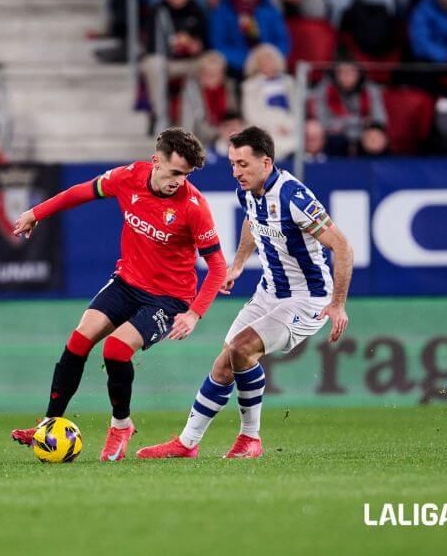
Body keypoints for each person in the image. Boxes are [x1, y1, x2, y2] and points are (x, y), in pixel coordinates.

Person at [9, 128, 228, 462]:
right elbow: (80, 193)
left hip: (168, 299)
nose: (178, 182)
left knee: (115, 350)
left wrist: (194, 313)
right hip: (127, 282)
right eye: (173, 173)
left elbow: (217, 267)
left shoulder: (195, 207)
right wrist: (36, 213)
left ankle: (121, 426)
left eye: (185, 175)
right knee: (79, 341)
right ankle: (49, 425)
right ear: (156, 161)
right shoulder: (129, 177)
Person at [137, 126, 353, 460]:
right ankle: (186, 444)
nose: (236, 171)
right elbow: (253, 223)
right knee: (224, 364)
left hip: (307, 298)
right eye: (233, 164)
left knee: (241, 349)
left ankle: (249, 440)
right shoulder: (248, 191)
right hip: (269, 292)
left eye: (243, 164)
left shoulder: (293, 197)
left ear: (266, 163)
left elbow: (342, 247)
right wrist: (237, 265)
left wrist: (338, 305)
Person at [140, 0, 210, 131]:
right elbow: (152, 46)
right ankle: (161, 116)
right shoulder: (157, 11)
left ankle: (205, 121)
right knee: (153, 63)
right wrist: (173, 44)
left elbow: (206, 43)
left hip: (192, 62)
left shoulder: (197, 10)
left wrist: (194, 46)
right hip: (168, 62)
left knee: (212, 62)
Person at [209, 0, 290, 78]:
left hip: (269, 63)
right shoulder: (221, 13)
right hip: (238, 67)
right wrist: (249, 60)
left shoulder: (270, 10)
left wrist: (269, 58)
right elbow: (218, 44)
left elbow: (282, 40)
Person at [312, 60, 387, 156]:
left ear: (359, 73)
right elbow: (322, 120)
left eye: (352, 72)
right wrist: (358, 121)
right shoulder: (325, 90)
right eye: (342, 72)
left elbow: (379, 120)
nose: (347, 76)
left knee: (375, 139)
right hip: (334, 136)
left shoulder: (370, 90)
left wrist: (370, 128)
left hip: (363, 135)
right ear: (335, 74)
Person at [240, 43, 296, 159]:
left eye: (270, 60)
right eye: (263, 61)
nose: (268, 64)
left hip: (290, 128)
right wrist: (275, 127)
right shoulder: (249, 86)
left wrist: (288, 126)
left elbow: (298, 110)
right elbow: (251, 114)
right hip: (265, 130)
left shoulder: (290, 83)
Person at [180, 51, 239, 148]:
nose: (212, 76)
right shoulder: (192, 90)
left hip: (227, 137)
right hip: (200, 138)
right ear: (200, 73)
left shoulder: (230, 87)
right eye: (207, 73)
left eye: (216, 72)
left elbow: (234, 116)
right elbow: (188, 122)